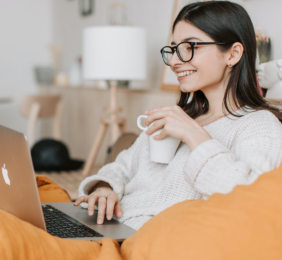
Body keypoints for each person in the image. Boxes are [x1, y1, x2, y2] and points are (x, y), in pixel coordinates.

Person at [74, 1, 282, 230]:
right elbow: (122, 167)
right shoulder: (179, 117)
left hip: (146, 241)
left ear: (232, 54)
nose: (174, 61)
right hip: (109, 225)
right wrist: (104, 188)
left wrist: (196, 136)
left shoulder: (259, 125)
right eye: (173, 49)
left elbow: (253, 200)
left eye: (190, 47)